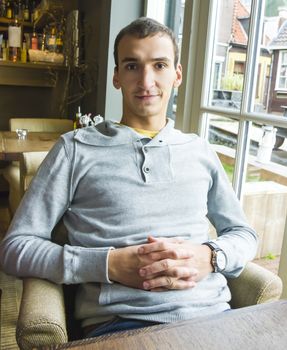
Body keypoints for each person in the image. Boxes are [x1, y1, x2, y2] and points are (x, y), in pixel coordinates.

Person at [0, 17, 258, 338]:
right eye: (132, 66)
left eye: (160, 65)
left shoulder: (200, 150)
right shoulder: (75, 149)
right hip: (121, 325)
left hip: (214, 316)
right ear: (117, 77)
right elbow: (15, 249)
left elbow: (244, 234)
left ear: (177, 75)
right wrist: (107, 265)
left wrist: (212, 255)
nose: (146, 80)